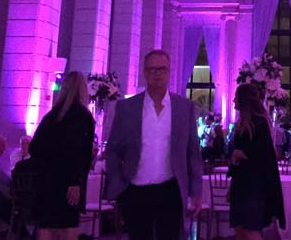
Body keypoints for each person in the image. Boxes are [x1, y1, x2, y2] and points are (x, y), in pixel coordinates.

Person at [105, 49, 203, 240]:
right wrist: (118, 184)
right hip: (135, 190)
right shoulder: (127, 108)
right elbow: (113, 150)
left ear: (169, 72)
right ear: (144, 72)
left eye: (162, 69)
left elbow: (193, 153)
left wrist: (196, 191)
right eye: (152, 69)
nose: (157, 74)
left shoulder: (184, 108)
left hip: (170, 189)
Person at [29, 71, 95, 239]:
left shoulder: (51, 116)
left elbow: (34, 148)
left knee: (47, 224)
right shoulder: (83, 117)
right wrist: (76, 181)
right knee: (67, 225)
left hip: (47, 179)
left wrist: (49, 161)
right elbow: (81, 153)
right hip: (68, 181)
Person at [229, 83, 285, 240]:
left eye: (236, 97)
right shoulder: (241, 123)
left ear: (244, 99)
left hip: (254, 184)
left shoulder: (259, 123)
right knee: (239, 229)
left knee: (251, 230)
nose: (233, 100)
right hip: (240, 182)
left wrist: (242, 154)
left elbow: (264, 154)